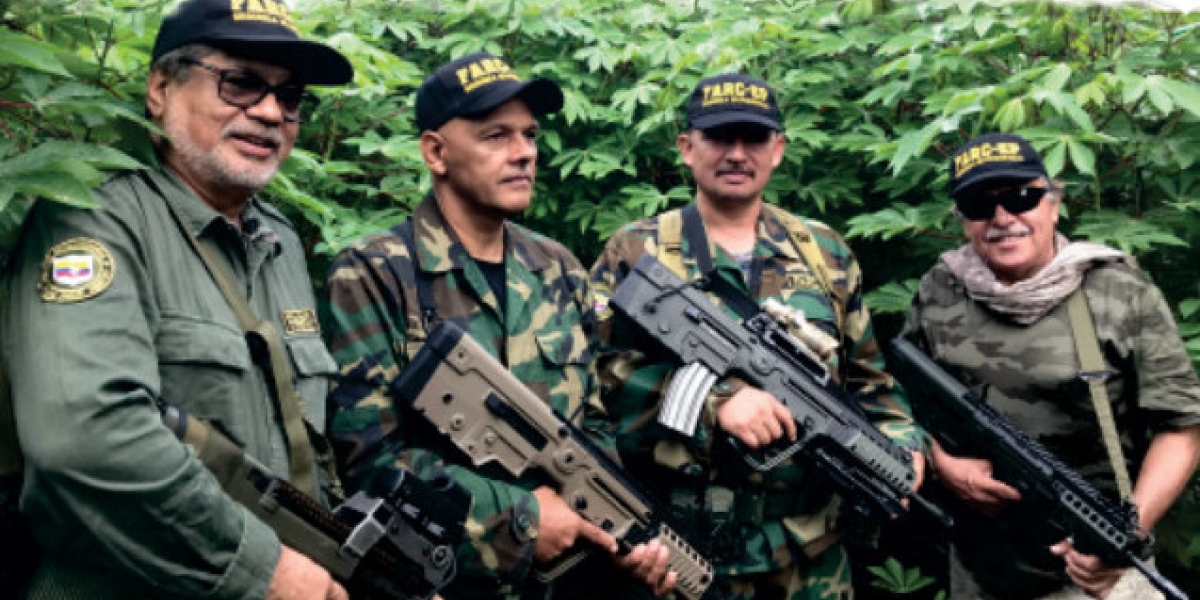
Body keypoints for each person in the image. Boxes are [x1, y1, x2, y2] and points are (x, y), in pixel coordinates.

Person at [0, 0, 354, 598]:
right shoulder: (94, 215)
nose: (270, 112)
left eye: (290, 96)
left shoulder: (282, 243)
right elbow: (86, 439)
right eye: (241, 82)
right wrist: (263, 570)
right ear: (160, 88)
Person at [322, 52, 673, 600]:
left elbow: (594, 424)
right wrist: (523, 516)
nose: (524, 153)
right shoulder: (375, 272)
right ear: (436, 152)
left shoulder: (560, 269)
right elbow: (368, 460)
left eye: (530, 135)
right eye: (496, 136)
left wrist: (613, 529)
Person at [589, 73, 926, 600]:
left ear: (779, 150)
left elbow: (870, 383)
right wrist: (713, 402)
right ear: (686, 147)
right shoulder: (634, 251)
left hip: (809, 560)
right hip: (677, 557)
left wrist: (904, 448)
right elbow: (590, 374)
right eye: (720, 137)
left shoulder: (826, 253)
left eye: (754, 138)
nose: (737, 153)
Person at [904, 133, 1200, 599]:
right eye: (980, 205)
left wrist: (1124, 537)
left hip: (1095, 574)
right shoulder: (941, 290)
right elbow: (906, 398)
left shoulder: (1120, 293)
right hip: (980, 571)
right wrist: (943, 463)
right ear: (962, 219)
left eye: (1022, 198)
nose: (1003, 219)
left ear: (1053, 204)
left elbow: (1181, 428)